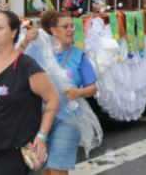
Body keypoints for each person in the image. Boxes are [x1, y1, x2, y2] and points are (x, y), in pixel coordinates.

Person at [0, 11, 60, 175]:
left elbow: (52, 98)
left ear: (13, 32)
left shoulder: (26, 66)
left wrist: (42, 136)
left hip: (15, 148)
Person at [19, 11, 98, 174]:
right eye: (65, 26)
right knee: (45, 168)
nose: (71, 30)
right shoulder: (36, 51)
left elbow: (92, 87)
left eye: (72, 26)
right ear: (53, 30)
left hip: (67, 118)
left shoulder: (78, 55)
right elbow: (13, 64)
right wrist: (25, 41)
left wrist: (78, 93)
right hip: (39, 118)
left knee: (57, 168)